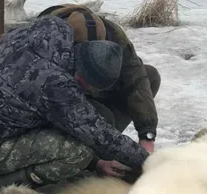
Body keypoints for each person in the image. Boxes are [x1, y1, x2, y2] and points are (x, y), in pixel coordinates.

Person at [0, 15, 155, 194]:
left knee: (66, 129)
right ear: (81, 77)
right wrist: (152, 164)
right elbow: (102, 138)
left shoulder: (51, 28)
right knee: (78, 152)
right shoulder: (55, 85)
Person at [37, 4, 161, 154]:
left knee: (150, 75)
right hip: (60, 105)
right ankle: (88, 153)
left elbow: (136, 78)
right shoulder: (49, 44)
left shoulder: (113, 34)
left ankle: (107, 141)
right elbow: (54, 105)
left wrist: (147, 134)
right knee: (102, 116)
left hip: (94, 87)